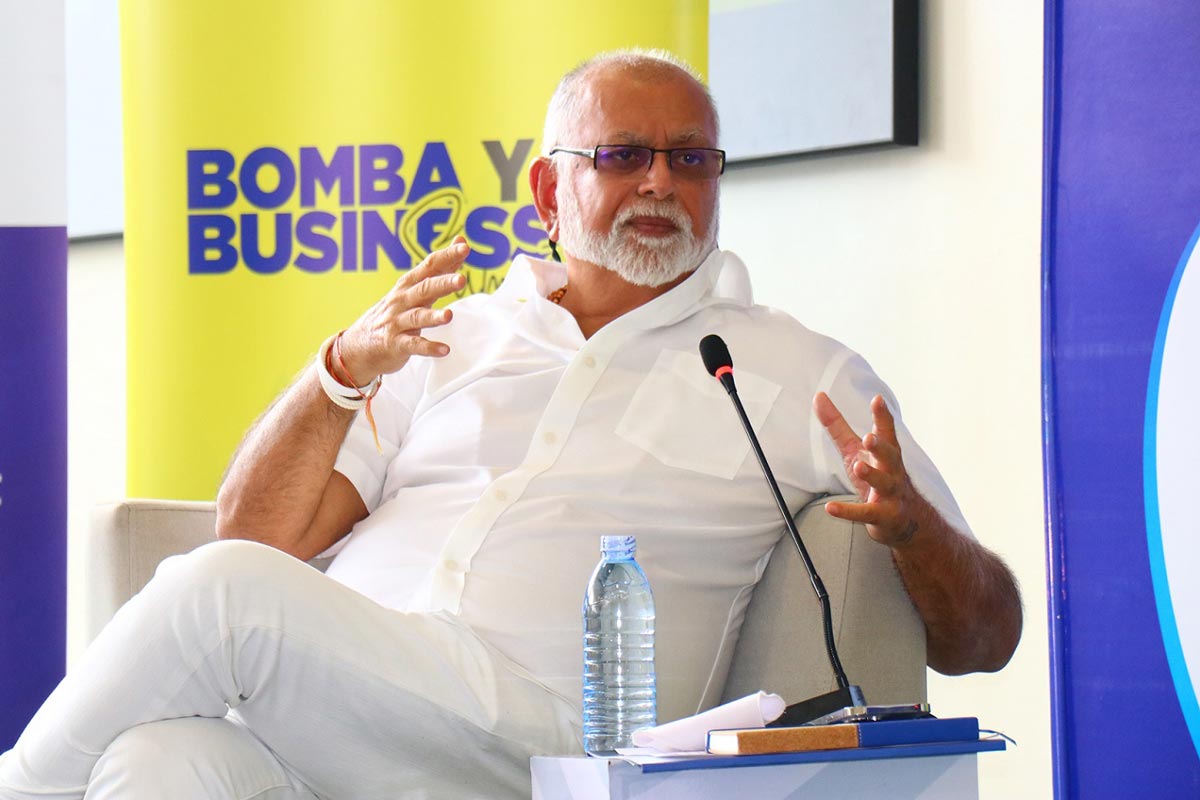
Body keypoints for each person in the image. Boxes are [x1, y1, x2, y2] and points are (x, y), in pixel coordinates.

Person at [0, 49, 1021, 799]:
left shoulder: (792, 369)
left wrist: (912, 530)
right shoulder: (449, 335)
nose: (660, 182)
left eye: (691, 158)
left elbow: (989, 635)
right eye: (623, 154)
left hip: (553, 743)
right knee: (156, 760)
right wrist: (338, 372)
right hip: (348, 727)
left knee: (218, 594)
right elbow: (260, 537)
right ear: (547, 188)